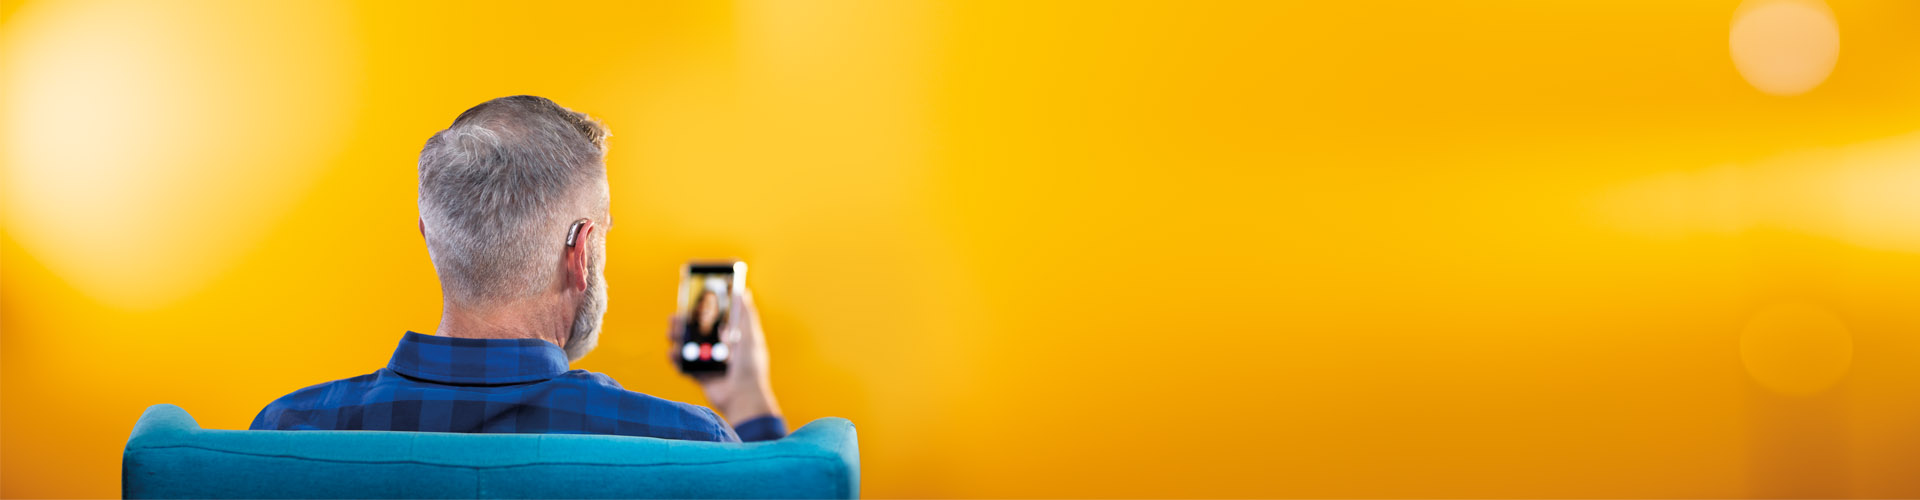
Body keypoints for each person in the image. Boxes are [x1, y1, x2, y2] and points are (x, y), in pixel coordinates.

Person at [250, 95, 786, 442]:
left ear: (430, 236)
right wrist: (746, 401)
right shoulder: (681, 441)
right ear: (580, 251)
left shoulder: (286, 431)